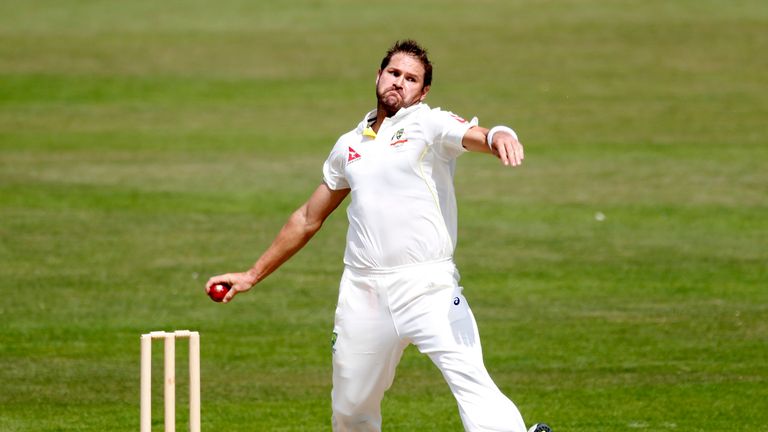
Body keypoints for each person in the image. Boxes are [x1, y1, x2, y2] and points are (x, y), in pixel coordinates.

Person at [206, 40, 551, 432]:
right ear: (378, 75)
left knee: (471, 379)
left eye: (411, 79)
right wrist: (252, 275)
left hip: (428, 286)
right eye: (394, 73)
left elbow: (474, 133)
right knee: (351, 409)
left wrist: (499, 136)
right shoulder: (349, 145)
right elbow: (306, 218)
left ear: (423, 92)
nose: (399, 82)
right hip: (364, 293)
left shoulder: (428, 124)